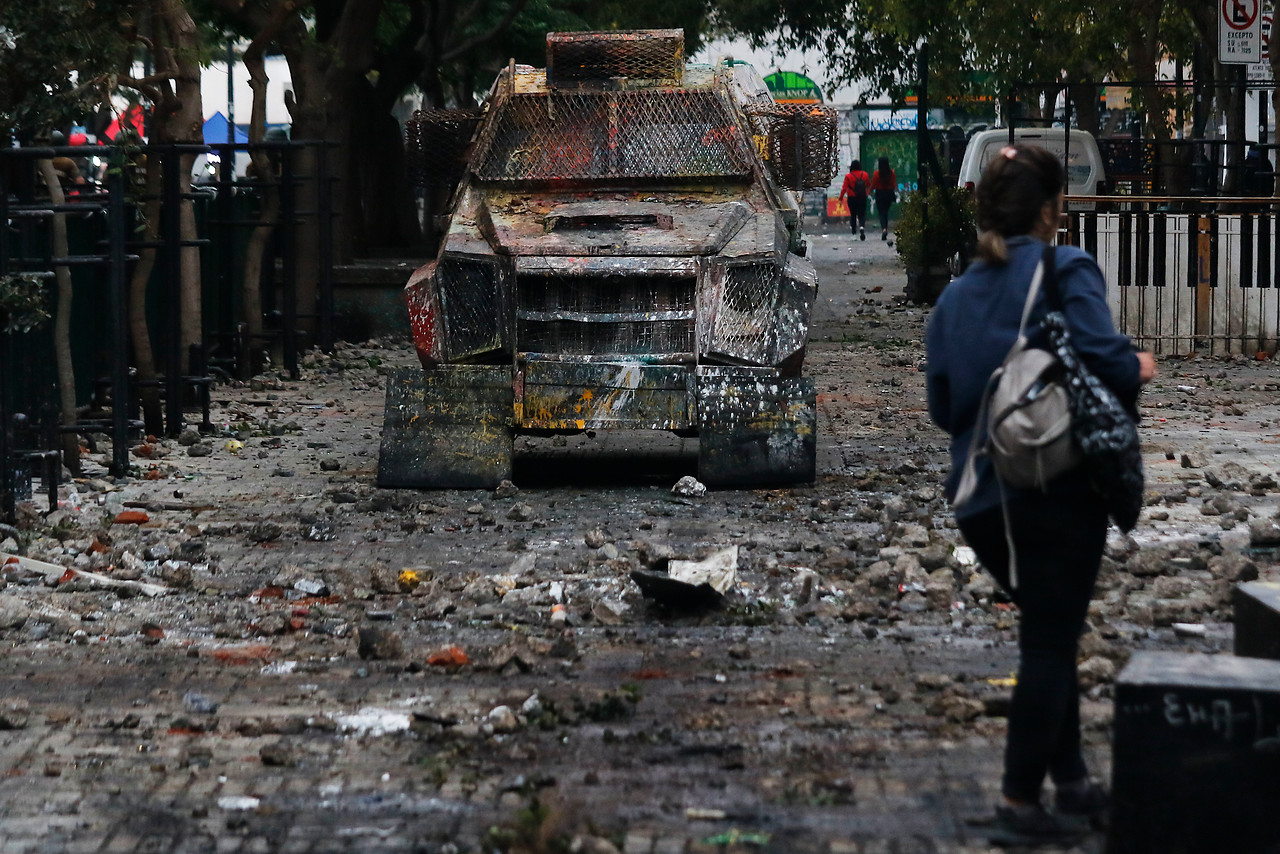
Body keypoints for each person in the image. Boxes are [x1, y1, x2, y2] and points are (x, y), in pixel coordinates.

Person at [925, 145, 1156, 847]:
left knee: (1046, 632)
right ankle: (1020, 802)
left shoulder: (955, 295)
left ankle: (1075, 782)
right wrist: (1139, 364)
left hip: (981, 503)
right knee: (1051, 644)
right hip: (1056, 489)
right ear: (1053, 210)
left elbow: (942, 406)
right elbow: (1106, 358)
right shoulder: (1065, 269)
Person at [838, 159, 871, 240]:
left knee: (853, 214)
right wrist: (866, 193)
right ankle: (862, 227)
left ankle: (854, 233)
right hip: (862, 197)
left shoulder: (848, 176)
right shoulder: (865, 174)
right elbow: (868, 185)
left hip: (852, 197)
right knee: (862, 214)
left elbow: (844, 188)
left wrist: (840, 198)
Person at [870, 156, 896, 240]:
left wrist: (869, 191)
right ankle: (885, 228)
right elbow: (894, 185)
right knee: (886, 212)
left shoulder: (876, 173)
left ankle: (884, 229)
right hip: (889, 193)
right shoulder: (892, 172)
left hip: (880, 194)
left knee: (881, 213)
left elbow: (873, 185)